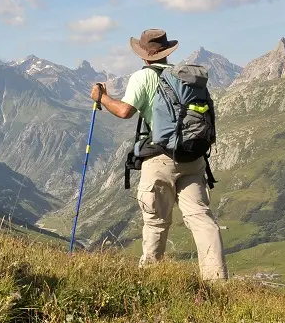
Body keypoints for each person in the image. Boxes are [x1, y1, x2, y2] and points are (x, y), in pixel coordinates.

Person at [90, 29, 228, 282]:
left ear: (143, 55)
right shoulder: (183, 77)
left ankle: (150, 279)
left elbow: (124, 111)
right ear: (166, 52)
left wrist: (102, 97)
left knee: (156, 222)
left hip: (160, 158)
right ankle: (217, 279)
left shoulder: (143, 78)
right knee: (201, 218)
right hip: (193, 158)